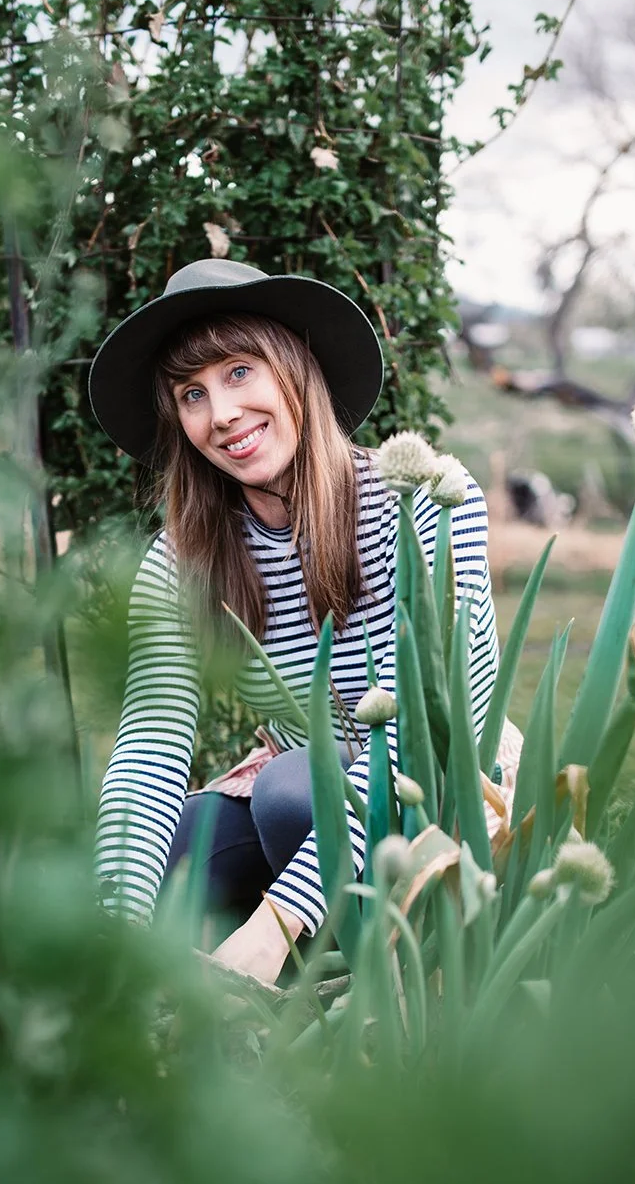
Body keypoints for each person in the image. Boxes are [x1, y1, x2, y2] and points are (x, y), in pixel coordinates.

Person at [90, 258, 499, 985]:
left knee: (293, 791)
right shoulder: (182, 555)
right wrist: (114, 918)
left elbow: (433, 733)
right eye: (192, 393)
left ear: (295, 367)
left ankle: (358, 985)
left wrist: (273, 925)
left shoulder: (426, 500)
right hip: (296, 796)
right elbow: (151, 742)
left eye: (239, 372)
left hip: (436, 793)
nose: (220, 415)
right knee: (175, 858)